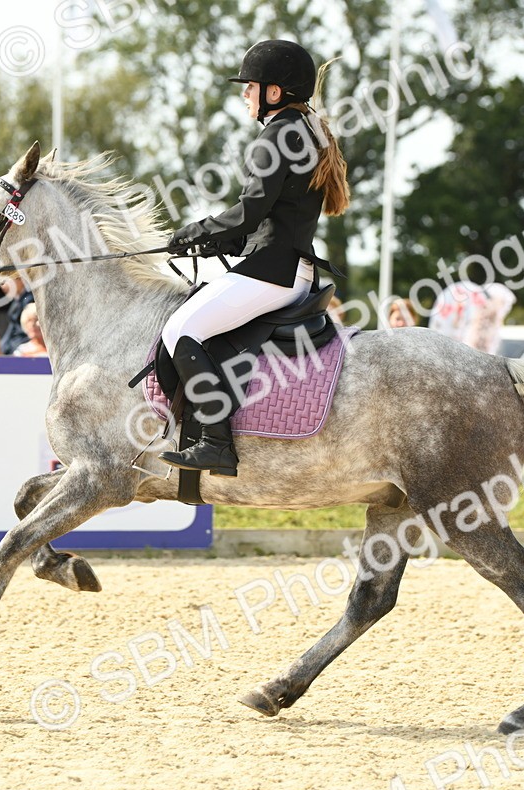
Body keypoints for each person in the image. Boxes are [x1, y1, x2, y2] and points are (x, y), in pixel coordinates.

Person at [156, 39, 349, 477]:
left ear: (274, 93)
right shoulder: (307, 131)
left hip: (271, 274)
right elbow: (275, 218)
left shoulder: (277, 135)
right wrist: (220, 242)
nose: (244, 94)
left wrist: (193, 232)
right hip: (290, 269)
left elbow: (249, 212)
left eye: (250, 86)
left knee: (181, 329)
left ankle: (215, 443)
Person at [0, 274, 35, 355]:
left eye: (4, 282)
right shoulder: (17, 300)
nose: (2, 287)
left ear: (19, 279)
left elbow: (24, 332)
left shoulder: (29, 299)